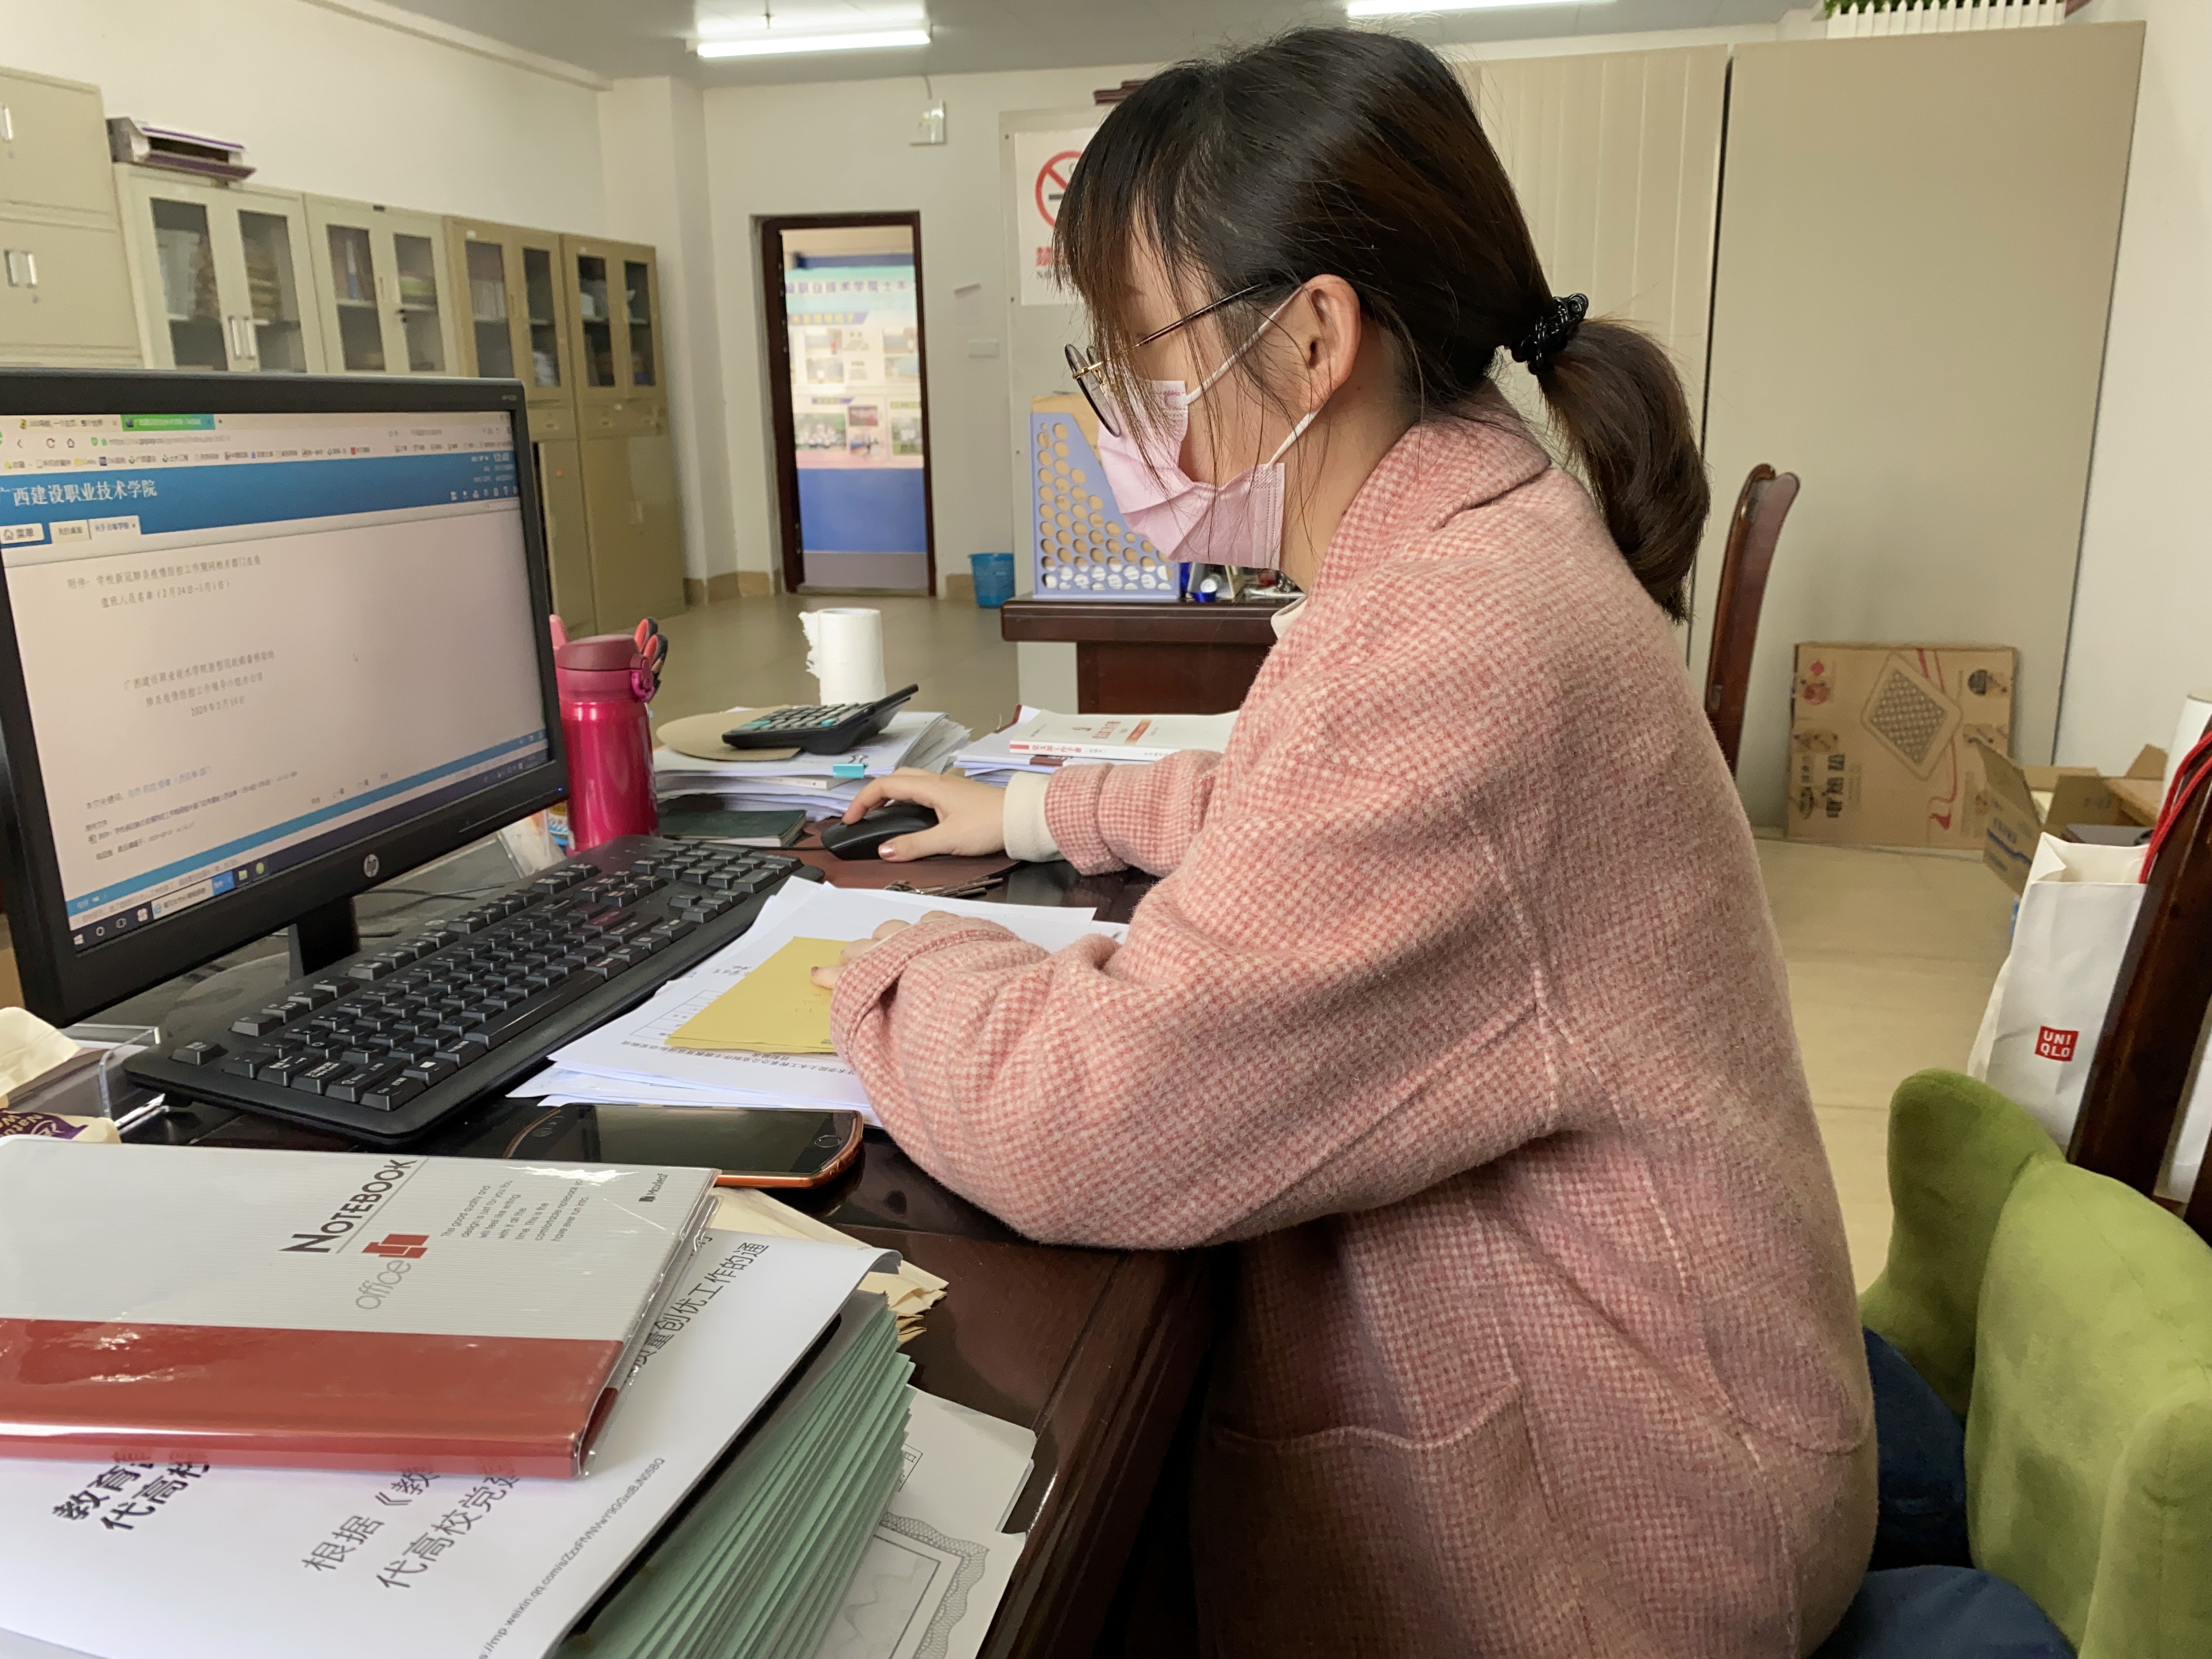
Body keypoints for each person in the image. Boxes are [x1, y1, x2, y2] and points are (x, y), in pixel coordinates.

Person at [812, 28, 1875, 1659]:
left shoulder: (1455, 634)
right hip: (1658, 1394)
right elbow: (1304, 808)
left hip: (1644, 1516)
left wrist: (878, 971)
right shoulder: (1475, 532)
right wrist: (1033, 809)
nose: (1129, 413)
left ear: (1313, 337)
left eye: (1140, 353)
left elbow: (1099, 1123)